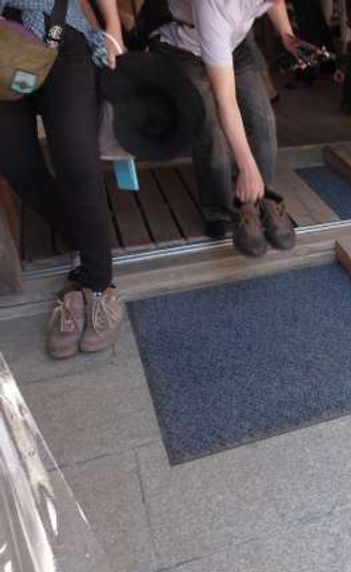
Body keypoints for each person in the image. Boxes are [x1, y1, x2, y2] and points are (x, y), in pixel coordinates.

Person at [0, 0, 125, 359]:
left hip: (60, 30)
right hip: (3, 43)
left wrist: (113, 27)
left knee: (76, 162)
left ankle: (98, 283)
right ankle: (87, 239)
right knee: (14, 160)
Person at [150, 0, 300, 257]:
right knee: (211, 129)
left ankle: (257, 200)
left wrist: (287, 36)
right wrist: (246, 164)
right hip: (185, 48)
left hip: (236, 42)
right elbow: (226, 100)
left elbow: (275, 2)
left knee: (263, 120)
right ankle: (220, 210)